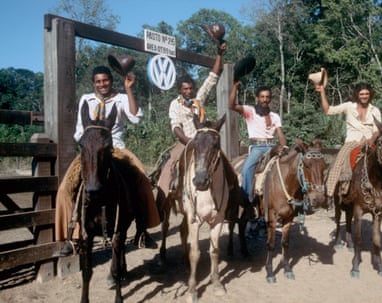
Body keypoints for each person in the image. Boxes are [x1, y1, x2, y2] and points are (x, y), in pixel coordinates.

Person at [54, 66, 160, 257]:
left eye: (105, 80)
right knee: (64, 188)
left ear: (111, 80)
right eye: (98, 81)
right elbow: (79, 130)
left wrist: (128, 89)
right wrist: (89, 145)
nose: (102, 84)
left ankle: (142, 231)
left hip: (117, 149)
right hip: (91, 150)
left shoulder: (120, 98)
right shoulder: (86, 99)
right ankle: (73, 237)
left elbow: (135, 118)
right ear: (94, 83)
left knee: (142, 179)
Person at [156, 42, 238, 211]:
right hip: (186, 142)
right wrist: (189, 141)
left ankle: (234, 198)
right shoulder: (175, 105)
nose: (189, 91)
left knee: (227, 165)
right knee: (170, 166)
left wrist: (219, 54)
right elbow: (176, 127)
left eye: (191, 89)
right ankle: (163, 202)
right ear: (180, 90)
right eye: (185, 89)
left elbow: (212, 78)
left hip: (206, 141)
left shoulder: (198, 101)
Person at [314, 81, 382, 214]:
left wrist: (372, 139)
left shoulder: (375, 110)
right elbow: (328, 110)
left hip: (370, 142)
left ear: (370, 95)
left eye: (367, 94)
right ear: (357, 94)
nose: (364, 96)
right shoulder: (349, 107)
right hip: (352, 142)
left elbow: (377, 130)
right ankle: (328, 196)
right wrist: (322, 92)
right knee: (337, 164)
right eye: (362, 94)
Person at [228, 81, 287, 218]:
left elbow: (280, 134)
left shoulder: (275, 116)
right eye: (262, 97)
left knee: (288, 165)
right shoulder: (250, 112)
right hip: (257, 147)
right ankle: (247, 199)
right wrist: (235, 87)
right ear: (257, 98)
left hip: (272, 145)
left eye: (267, 97)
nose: (265, 100)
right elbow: (230, 105)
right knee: (247, 168)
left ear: (270, 99)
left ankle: (290, 199)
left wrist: (283, 147)